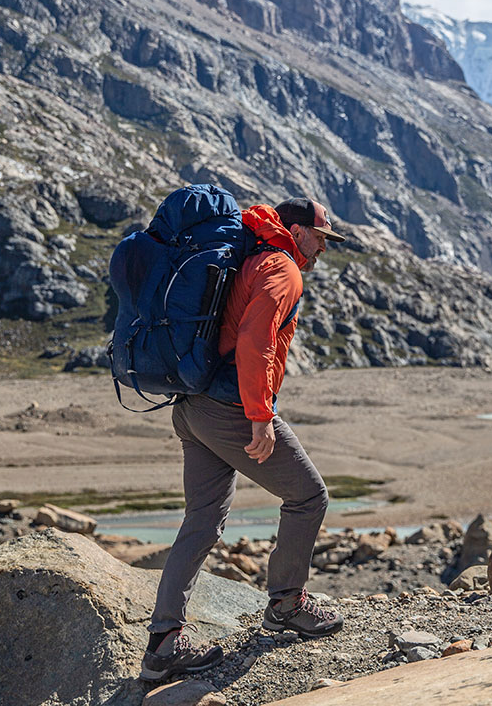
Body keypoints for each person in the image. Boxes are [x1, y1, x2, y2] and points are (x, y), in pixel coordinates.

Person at [140, 197, 347, 682]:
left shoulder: (246, 254)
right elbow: (256, 342)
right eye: (320, 238)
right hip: (229, 409)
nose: (322, 249)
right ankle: (286, 604)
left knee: (203, 519)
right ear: (297, 231)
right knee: (309, 496)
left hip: (191, 405)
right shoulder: (282, 268)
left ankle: (163, 642)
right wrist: (260, 417)